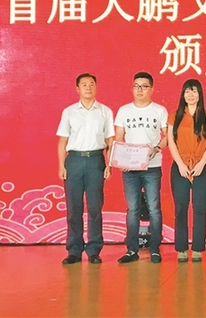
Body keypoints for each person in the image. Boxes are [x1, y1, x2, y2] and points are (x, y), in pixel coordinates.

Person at [56, 73, 114, 265]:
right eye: (84, 85)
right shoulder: (69, 112)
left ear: (96, 87)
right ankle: (74, 250)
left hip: (96, 160)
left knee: (95, 207)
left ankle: (94, 250)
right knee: (74, 208)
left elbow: (110, 141)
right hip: (74, 160)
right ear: (77, 89)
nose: (88, 87)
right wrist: (61, 165)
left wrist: (109, 164)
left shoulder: (105, 111)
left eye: (91, 84)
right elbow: (62, 141)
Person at [113, 72, 168, 264]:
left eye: (144, 86)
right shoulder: (124, 111)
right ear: (132, 88)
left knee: (154, 208)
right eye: (136, 86)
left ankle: (155, 248)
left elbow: (168, 136)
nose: (140, 90)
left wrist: (157, 148)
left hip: (152, 167)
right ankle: (131, 249)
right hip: (130, 169)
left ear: (152, 89)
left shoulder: (159, 110)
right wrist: (122, 159)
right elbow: (118, 137)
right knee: (133, 209)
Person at [167, 79, 206, 262]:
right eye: (187, 91)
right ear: (183, 94)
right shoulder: (175, 115)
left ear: (200, 94)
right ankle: (181, 248)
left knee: (200, 207)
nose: (191, 95)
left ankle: (197, 248)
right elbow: (171, 141)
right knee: (180, 207)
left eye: (194, 91)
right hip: (180, 166)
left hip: (201, 166)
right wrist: (180, 164)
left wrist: (202, 163)